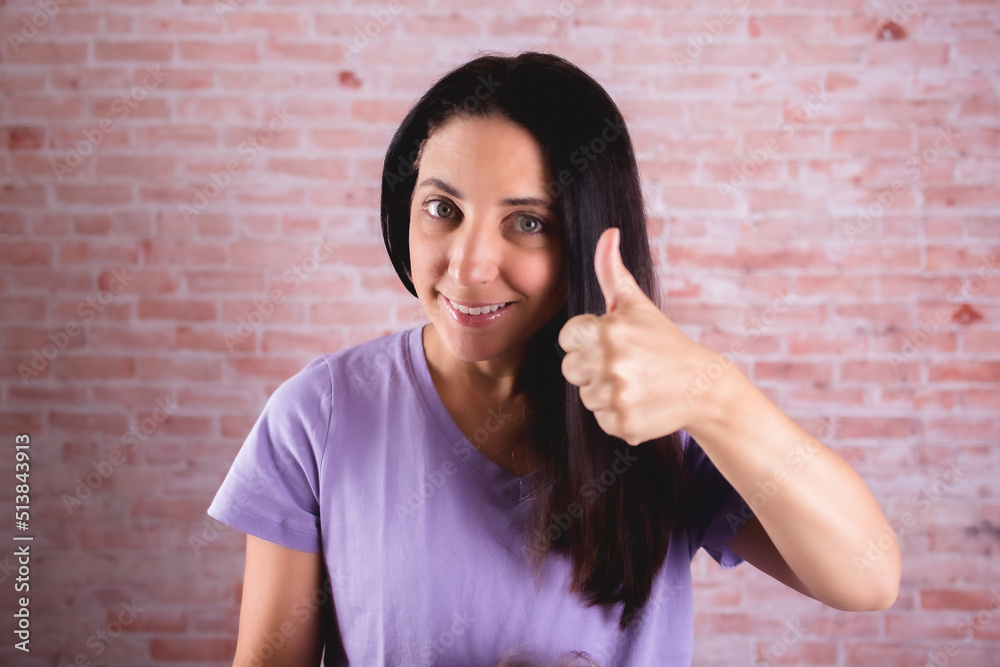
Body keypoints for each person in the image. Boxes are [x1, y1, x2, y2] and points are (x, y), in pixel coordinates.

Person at [207, 52, 900, 666]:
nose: (470, 265)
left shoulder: (660, 412)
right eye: (443, 208)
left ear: (587, 239)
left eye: (528, 223)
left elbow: (868, 578)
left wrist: (712, 392)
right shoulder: (320, 416)